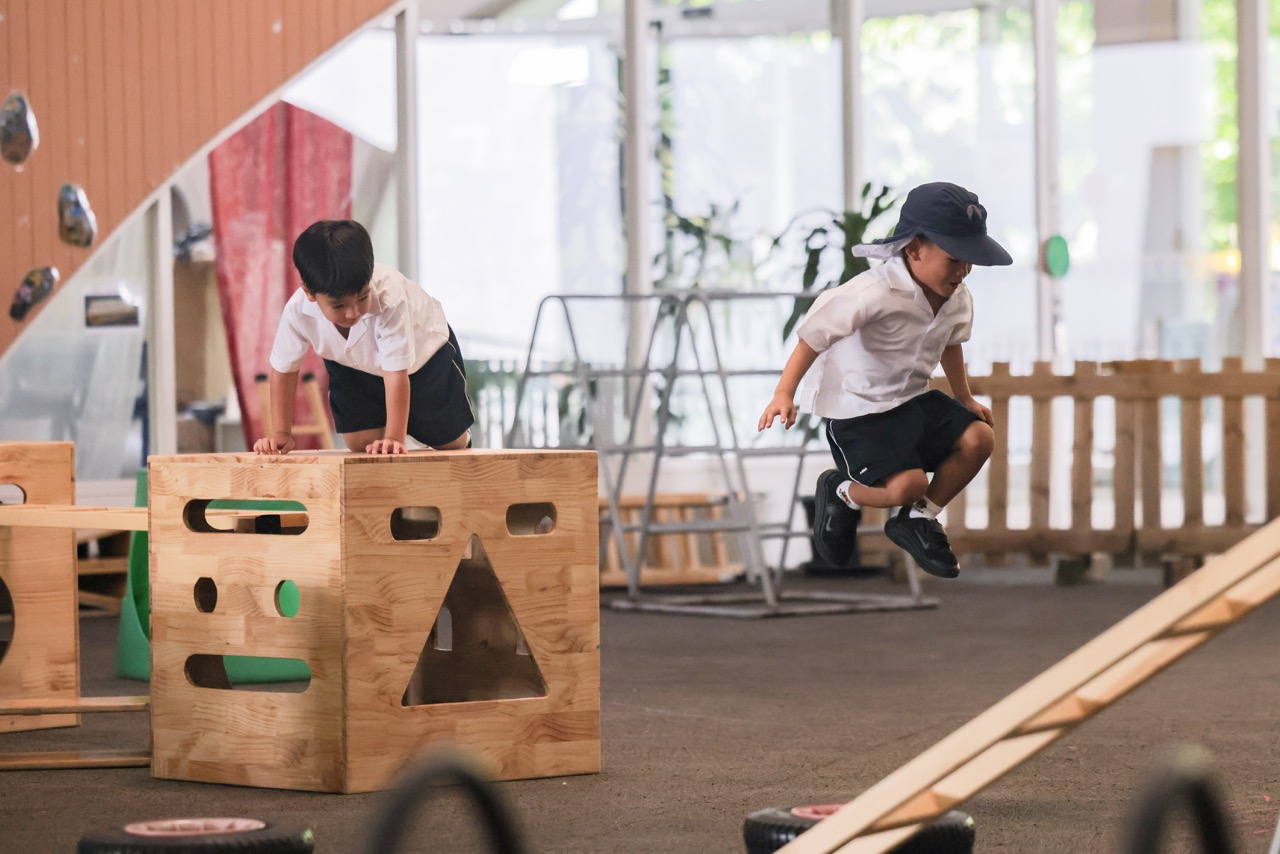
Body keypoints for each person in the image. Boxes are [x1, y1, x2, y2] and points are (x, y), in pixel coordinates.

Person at [757, 182, 1010, 578]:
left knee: (979, 438)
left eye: (969, 261)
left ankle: (918, 518)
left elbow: (951, 343)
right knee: (906, 484)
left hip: (912, 400)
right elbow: (812, 337)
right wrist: (783, 393)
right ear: (914, 249)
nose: (963, 271)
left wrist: (964, 398)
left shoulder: (957, 295)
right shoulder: (870, 293)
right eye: (954, 259)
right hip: (862, 410)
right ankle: (841, 491)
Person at [254, 219, 473, 456]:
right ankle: (394, 427)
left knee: (449, 442)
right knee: (360, 443)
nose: (353, 312)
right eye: (339, 305)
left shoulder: (391, 296)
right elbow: (284, 370)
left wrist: (394, 439)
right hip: (354, 363)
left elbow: (396, 374)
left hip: (424, 357)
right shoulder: (297, 311)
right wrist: (281, 434)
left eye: (362, 297)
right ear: (310, 293)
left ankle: (441, 433)